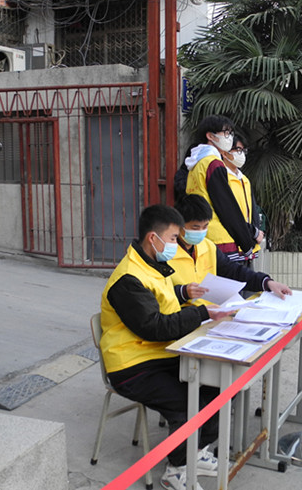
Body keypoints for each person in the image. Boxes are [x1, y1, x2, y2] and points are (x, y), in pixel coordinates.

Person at [99, 204, 233, 490]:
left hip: (161, 354)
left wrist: (183, 295)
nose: (176, 243)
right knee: (187, 404)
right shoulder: (127, 278)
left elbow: (159, 299)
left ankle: (197, 451)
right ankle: (176, 469)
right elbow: (155, 327)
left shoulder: (151, 266)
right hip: (132, 365)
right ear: (153, 238)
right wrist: (201, 313)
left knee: (218, 386)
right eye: (173, 238)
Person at [168, 194, 290, 300]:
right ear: (178, 224)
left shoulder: (208, 247)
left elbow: (233, 271)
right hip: (182, 315)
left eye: (205, 227)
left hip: (211, 312)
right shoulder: (166, 252)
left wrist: (266, 282)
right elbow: (161, 293)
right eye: (195, 228)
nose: (201, 231)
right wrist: (183, 292)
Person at [185, 115, 262, 263]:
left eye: (231, 133)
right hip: (222, 240)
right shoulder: (213, 163)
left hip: (204, 236)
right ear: (210, 136)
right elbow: (227, 207)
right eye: (226, 133)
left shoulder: (196, 163)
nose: (229, 137)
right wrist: (246, 242)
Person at [221, 133, 264, 266]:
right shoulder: (222, 176)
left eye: (243, 151)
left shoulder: (244, 179)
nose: (242, 155)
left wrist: (256, 231)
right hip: (230, 243)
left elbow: (252, 209)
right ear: (225, 153)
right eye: (238, 150)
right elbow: (228, 211)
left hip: (248, 242)